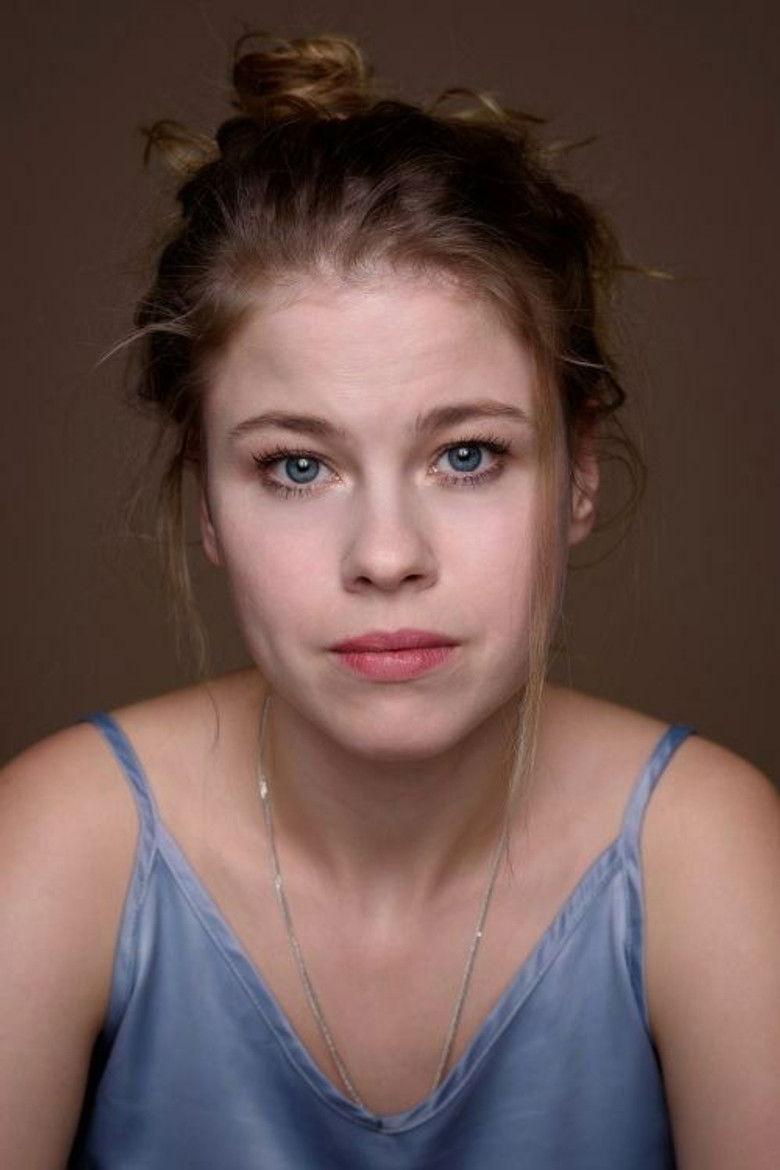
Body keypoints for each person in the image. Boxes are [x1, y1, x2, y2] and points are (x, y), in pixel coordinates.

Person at [1, 32, 778, 1170]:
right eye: (296, 466)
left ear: (580, 476)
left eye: (467, 455)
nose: (385, 556)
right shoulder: (61, 842)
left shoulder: (706, 850)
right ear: (207, 501)